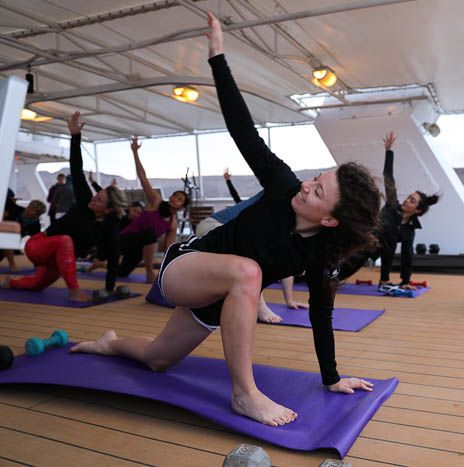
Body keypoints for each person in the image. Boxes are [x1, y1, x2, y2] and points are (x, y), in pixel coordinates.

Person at [71, 12, 382, 428]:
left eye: (318, 192)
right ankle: (244, 394)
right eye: (316, 179)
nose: (307, 186)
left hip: (221, 298)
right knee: (249, 272)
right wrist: (217, 57)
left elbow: (320, 312)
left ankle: (108, 344)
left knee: (157, 359)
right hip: (186, 268)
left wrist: (332, 378)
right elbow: (243, 130)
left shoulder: (321, 254)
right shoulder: (283, 186)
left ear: (329, 222)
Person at [1, 112, 126, 301]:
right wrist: (75, 137)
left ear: (108, 210)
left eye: (99, 200)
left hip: (58, 259)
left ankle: (9, 282)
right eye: (97, 195)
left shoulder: (109, 226)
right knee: (65, 240)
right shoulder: (85, 200)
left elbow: (114, 255)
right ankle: (74, 291)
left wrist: (109, 288)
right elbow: (76, 169)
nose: (94, 199)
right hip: (38, 245)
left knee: (36, 285)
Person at [195, 173, 305, 324]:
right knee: (254, 253)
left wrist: (289, 300)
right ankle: (260, 306)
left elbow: (286, 264)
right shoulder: (277, 198)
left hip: (223, 229)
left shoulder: (288, 220)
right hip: (212, 226)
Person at [114, 136, 189, 282]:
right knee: (150, 234)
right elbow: (143, 177)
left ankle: (100, 263)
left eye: (179, 199)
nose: (175, 198)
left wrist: (172, 270)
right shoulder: (156, 201)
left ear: (182, 207)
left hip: (138, 250)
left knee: (121, 274)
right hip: (123, 241)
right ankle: (149, 272)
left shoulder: (172, 224)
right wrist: (135, 152)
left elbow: (168, 248)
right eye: (174, 195)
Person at [376, 132, 439, 289]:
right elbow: (388, 178)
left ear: (417, 210)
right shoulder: (392, 205)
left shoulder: (410, 228)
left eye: (412, 201)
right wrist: (389, 151)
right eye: (409, 197)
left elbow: (407, 256)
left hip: (383, 247)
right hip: (366, 242)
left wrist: (405, 282)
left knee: (394, 243)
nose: (406, 200)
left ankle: (384, 280)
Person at [1, 197, 46, 271]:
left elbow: (36, 244)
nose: (36, 215)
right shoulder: (14, 209)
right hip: (4, 234)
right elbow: (4, 197)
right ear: (28, 207)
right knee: (9, 239)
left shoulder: (35, 225)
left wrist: (38, 263)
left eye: (38, 214)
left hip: (9, 243)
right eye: (34, 211)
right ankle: (12, 264)